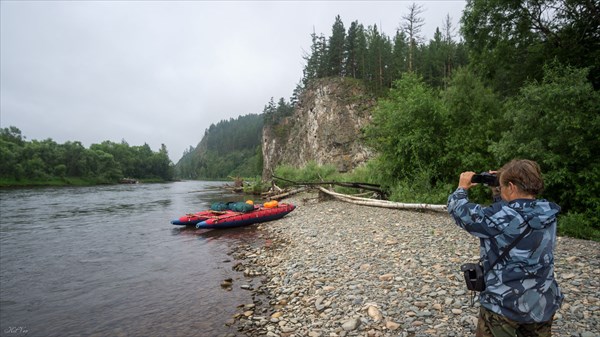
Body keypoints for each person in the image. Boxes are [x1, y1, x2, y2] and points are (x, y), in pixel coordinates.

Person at [447, 159, 563, 337]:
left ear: (511, 186)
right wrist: (498, 191)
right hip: (541, 301)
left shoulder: (497, 217)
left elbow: (459, 211)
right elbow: (514, 217)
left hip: (503, 305)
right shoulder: (548, 212)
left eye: (503, 186)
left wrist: (462, 188)